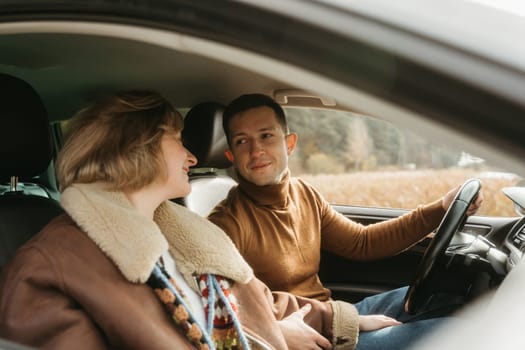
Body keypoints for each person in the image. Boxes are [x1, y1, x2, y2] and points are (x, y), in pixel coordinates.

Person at [0, 90, 384, 350]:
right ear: (139, 148)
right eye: (178, 140)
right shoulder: (49, 265)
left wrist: (339, 318)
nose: (193, 156)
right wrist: (266, 341)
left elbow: (254, 301)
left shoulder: (178, 232)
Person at [207, 93, 484, 349]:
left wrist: (441, 208)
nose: (256, 151)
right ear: (231, 155)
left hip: (335, 317)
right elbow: (232, 316)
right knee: (466, 334)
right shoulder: (224, 225)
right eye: (242, 141)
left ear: (289, 144)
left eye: (266, 136)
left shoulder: (303, 193)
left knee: (452, 297)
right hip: (308, 338)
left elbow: (362, 243)